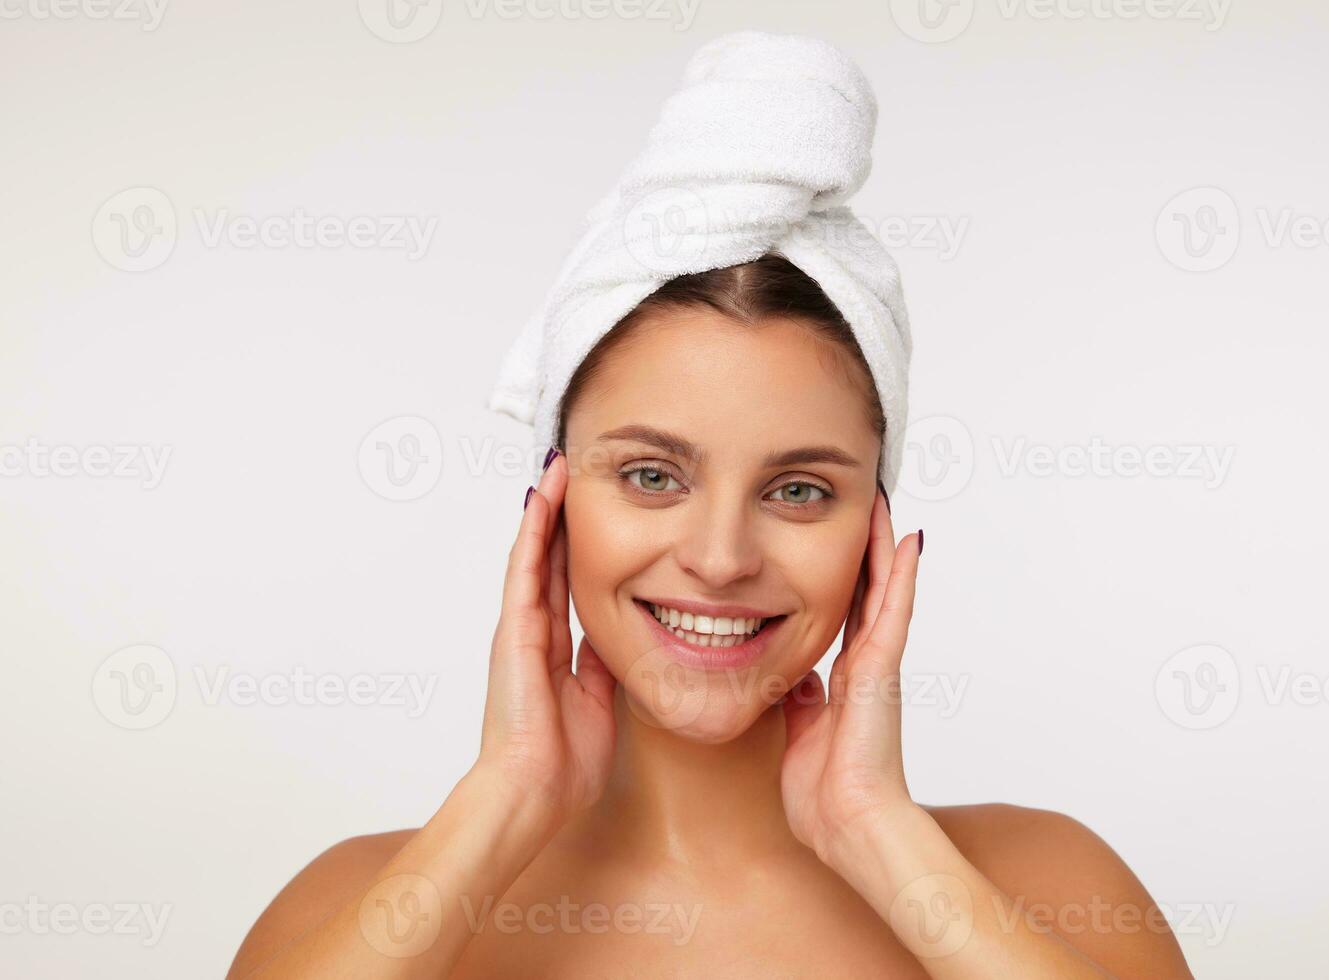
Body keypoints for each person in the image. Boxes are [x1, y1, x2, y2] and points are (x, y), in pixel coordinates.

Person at [225, 253, 1193, 978]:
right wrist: (507, 795)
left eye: (801, 490)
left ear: (875, 529)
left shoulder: (1052, 885)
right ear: (553, 505)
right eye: (652, 475)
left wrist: (884, 842)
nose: (722, 557)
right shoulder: (357, 905)